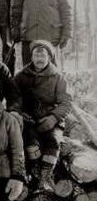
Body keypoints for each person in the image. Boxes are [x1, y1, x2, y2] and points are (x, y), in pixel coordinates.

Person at [14, 40, 72, 191]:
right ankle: (34, 172)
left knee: (53, 141)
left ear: (49, 57)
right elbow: (14, 99)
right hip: (28, 119)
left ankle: (45, 177)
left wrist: (53, 118)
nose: (39, 59)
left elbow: (66, 103)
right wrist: (19, 114)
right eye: (36, 55)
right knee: (31, 143)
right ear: (31, 57)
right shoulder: (21, 76)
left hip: (50, 119)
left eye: (43, 56)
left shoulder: (58, 77)